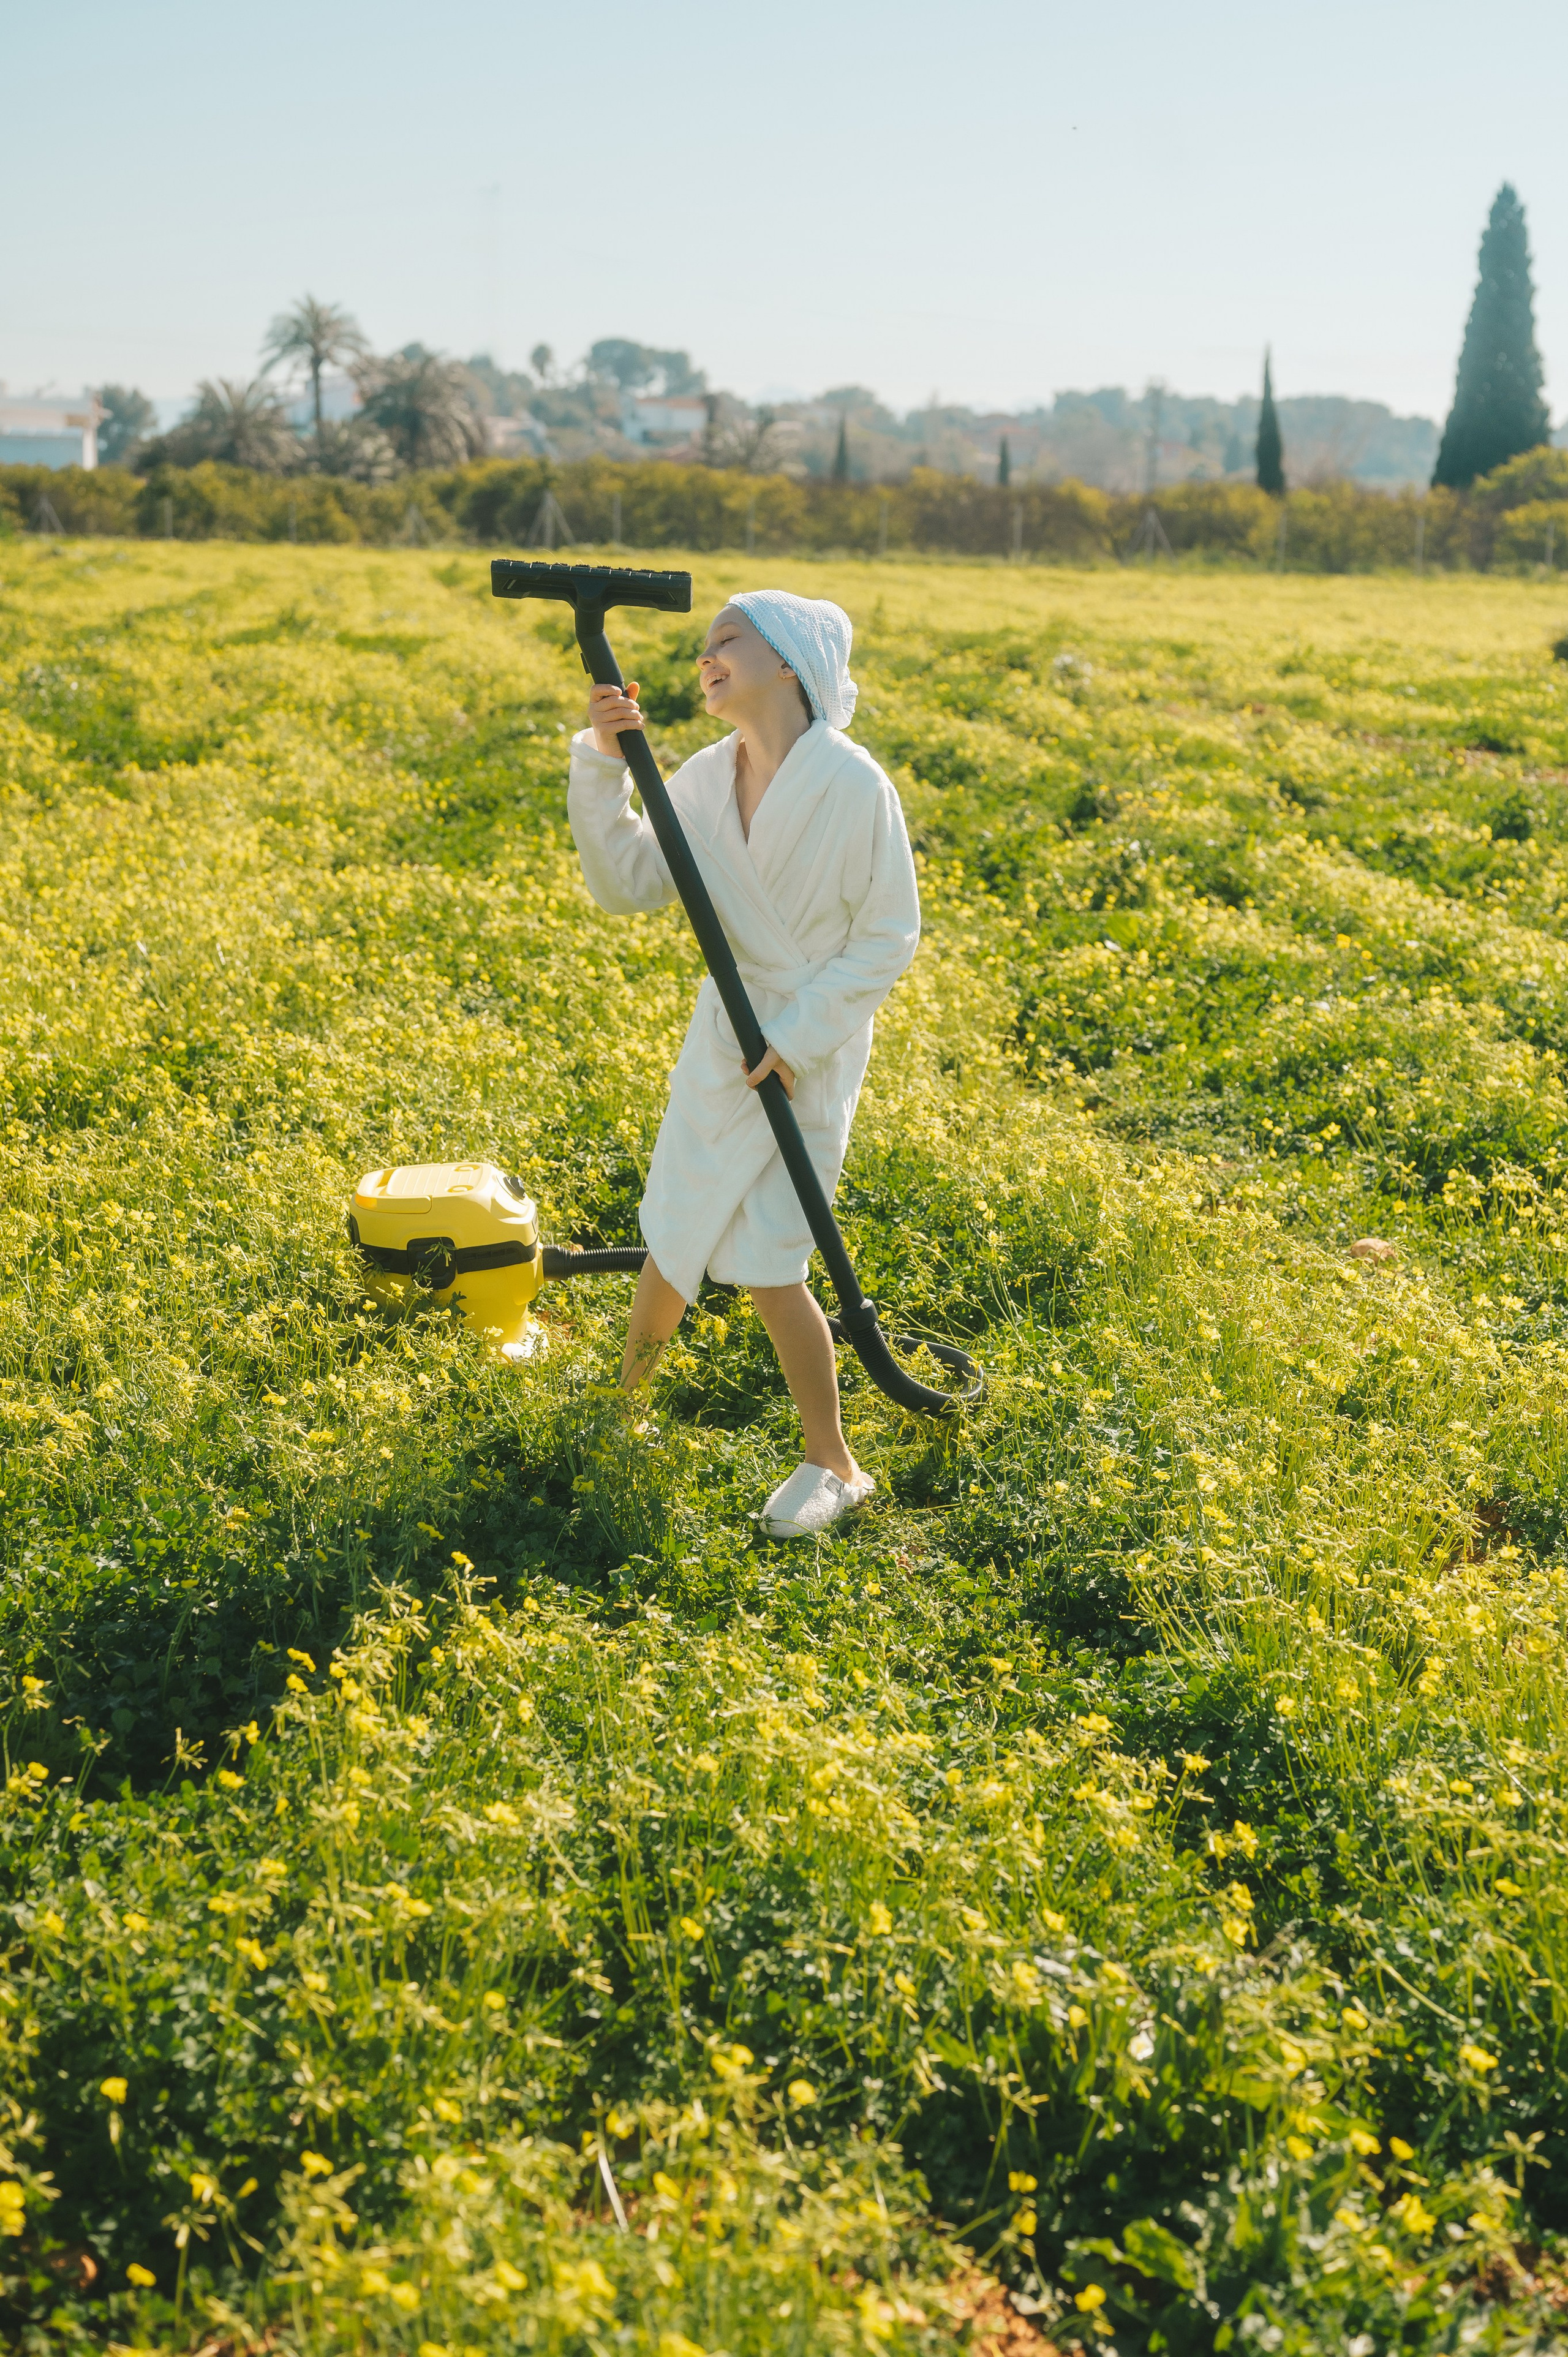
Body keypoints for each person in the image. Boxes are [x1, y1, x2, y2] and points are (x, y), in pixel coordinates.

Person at [565, 590, 920, 1539]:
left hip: (806, 1043)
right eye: (704, 644)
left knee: (771, 1255)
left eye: (728, 638)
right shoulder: (702, 776)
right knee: (677, 1222)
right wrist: (604, 762)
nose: (707, 655)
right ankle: (621, 1412)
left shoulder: (854, 785)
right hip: (728, 1033)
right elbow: (629, 881)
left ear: (792, 661)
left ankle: (834, 1463)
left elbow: (889, 934)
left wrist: (797, 1041)